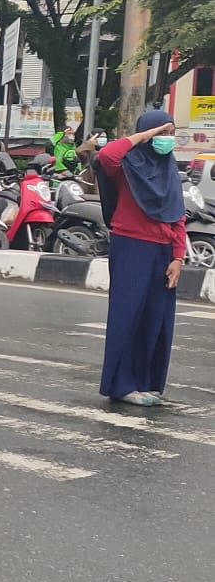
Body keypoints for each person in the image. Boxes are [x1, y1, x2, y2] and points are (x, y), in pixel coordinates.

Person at [96, 111, 186, 405]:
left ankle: (147, 382)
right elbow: (107, 155)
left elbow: (177, 215)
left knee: (157, 319)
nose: (166, 138)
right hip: (132, 245)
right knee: (128, 315)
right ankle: (121, 386)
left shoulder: (168, 168)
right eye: (161, 132)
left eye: (171, 132)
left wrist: (178, 256)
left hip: (163, 251)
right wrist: (144, 136)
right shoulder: (128, 165)